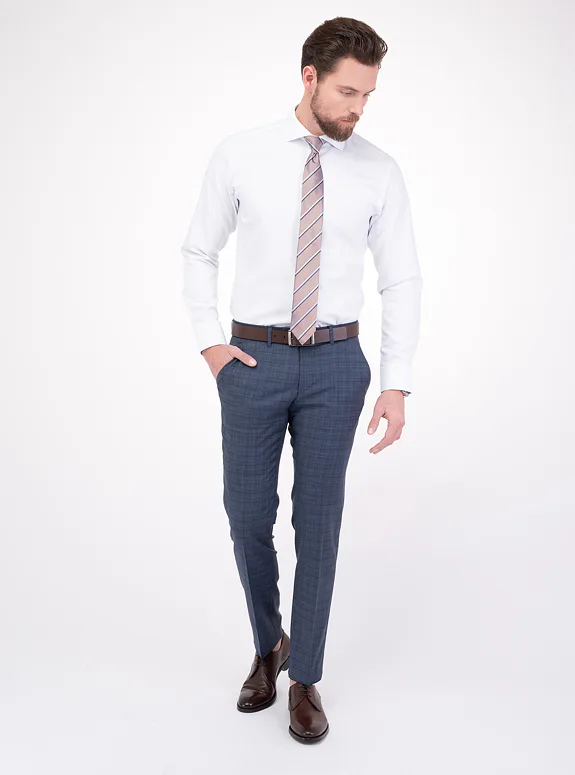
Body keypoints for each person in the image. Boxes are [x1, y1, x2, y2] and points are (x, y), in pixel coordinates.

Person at [180, 16, 422, 744]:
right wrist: (211, 345)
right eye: (348, 91)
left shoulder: (379, 171)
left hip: (336, 366)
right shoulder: (241, 154)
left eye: (368, 94)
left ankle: (305, 676)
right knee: (246, 514)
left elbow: (402, 277)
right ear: (309, 77)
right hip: (252, 361)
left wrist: (395, 381)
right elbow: (198, 250)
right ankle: (269, 644)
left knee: (318, 523)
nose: (358, 107)